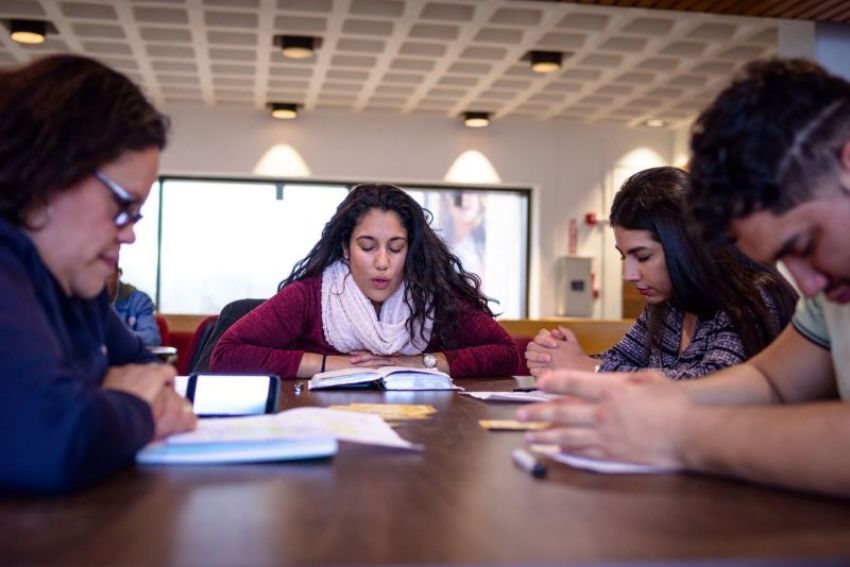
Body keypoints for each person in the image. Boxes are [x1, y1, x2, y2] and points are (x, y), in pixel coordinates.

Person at [517, 58, 850, 498]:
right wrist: (659, 397)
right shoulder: (829, 290)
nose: (806, 286)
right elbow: (770, 382)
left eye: (804, 243)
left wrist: (681, 430)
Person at [0, 55, 196, 494]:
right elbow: (46, 442)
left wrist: (97, 403)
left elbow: (150, 373)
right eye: (123, 208)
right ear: (46, 173)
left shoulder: (76, 281)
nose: (128, 236)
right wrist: (129, 405)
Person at [211, 184, 519, 379]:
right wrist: (336, 365)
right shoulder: (311, 296)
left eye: (396, 248)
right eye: (367, 247)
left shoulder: (432, 297)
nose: (382, 262)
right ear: (345, 247)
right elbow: (226, 355)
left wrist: (416, 363)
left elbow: (505, 353)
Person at [525, 167, 797, 380]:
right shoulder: (668, 301)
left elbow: (716, 384)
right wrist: (559, 357)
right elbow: (620, 360)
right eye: (623, 257)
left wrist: (589, 370)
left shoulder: (751, 296)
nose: (628, 275)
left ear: (686, 246)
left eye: (642, 256)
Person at [106, 263, 162, 347]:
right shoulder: (84, 300)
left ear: (118, 274)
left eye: (106, 275)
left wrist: (117, 336)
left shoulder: (138, 301)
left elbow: (151, 338)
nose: (100, 282)